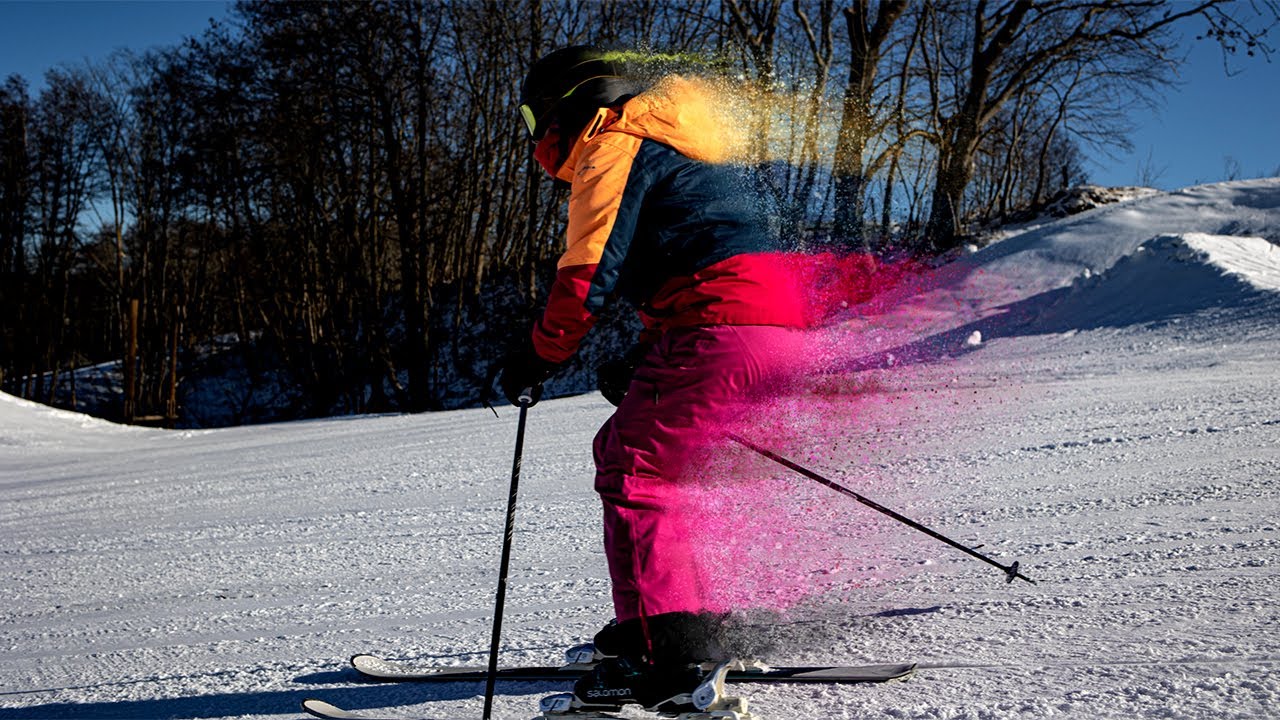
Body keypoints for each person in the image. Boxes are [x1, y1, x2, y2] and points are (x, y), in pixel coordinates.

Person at [495, 46, 810, 715]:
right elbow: (698, 249)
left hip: (720, 326)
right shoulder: (678, 143)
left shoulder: (613, 142)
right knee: (641, 458)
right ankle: (684, 624)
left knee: (635, 472)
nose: (534, 136)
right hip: (767, 328)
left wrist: (539, 354)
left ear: (566, 105)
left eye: (531, 118)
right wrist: (647, 352)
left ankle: (662, 655)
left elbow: (587, 272)